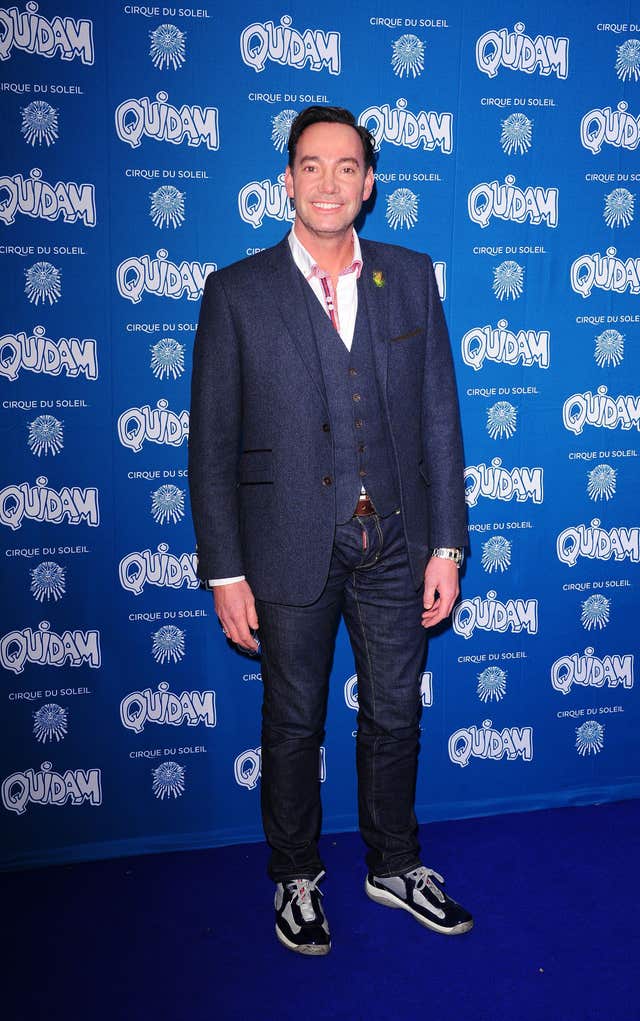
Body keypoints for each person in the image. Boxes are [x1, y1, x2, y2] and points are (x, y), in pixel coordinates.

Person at [189, 105, 472, 955]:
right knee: (294, 721)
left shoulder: (410, 275)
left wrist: (447, 545)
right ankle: (295, 875)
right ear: (287, 180)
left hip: (395, 541)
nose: (329, 183)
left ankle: (393, 863)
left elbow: (439, 424)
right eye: (311, 166)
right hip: (284, 546)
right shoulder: (235, 291)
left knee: (394, 714)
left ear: (370, 183)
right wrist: (224, 569)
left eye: (347, 167)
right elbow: (210, 444)